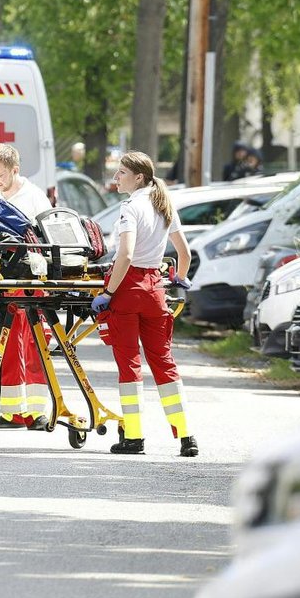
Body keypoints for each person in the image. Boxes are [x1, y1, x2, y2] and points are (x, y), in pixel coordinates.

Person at [90, 151, 197, 457]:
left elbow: (124, 256)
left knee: (130, 365)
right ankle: (187, 436)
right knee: (164, 362)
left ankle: (134, 437)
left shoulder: (131, 207)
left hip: (128, 289)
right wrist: (179, 278)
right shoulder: (163, 204)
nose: (115, 178)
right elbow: (184, 254)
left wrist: (108, 293)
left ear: (138, 177)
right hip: (156, 290)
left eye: (120, 172)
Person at [0, 143, 54, 428]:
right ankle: (11, 411)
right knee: (5, 346)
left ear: (15, 170)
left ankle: (36, 411)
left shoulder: (35, 198)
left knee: (34, 345)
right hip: (2, 281)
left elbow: (48, 241)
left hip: (29, 281)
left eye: (0, 175)